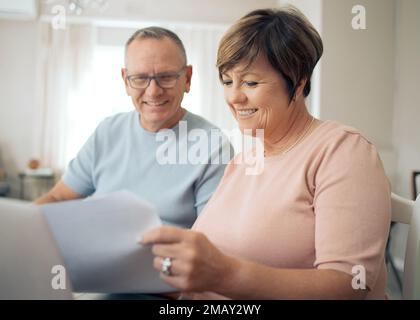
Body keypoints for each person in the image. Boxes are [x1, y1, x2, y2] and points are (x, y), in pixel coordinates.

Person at [141, 7, 391, 299]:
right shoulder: (243, 161)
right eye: (227, 81)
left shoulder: (342, 151)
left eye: (250, 82)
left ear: (298, 82)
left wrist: (226, 275)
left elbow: (349, 286)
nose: (234, 97)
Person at [35, 27, 232, 229]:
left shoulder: (213, 145)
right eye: (140, 78)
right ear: (126, 81)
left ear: (187, 78)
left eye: (166, 77)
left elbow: (210, 240)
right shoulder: (107, 131)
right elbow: (58, 198)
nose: (153, 91)